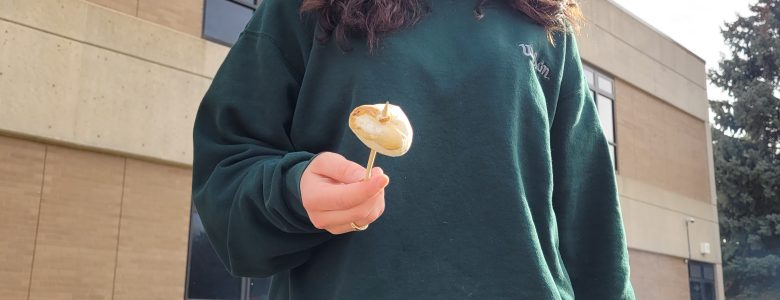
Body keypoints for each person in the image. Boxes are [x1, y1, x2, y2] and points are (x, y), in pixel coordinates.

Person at [192, 0, 635, 298]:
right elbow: (226, 175)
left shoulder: (545, 23)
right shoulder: (304, 7)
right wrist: (291, 194)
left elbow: (591, 221)